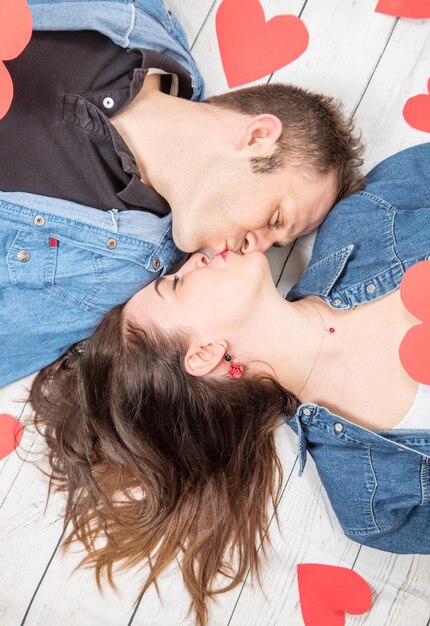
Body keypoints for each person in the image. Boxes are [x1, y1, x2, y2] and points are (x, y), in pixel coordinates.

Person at [29, 143, 430, 626]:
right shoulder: (372, 501)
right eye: (176, 284)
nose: (194, 258)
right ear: (204, 356)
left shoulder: (365, 222)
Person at [0, 0, 364, 386]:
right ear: (257, 136)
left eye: (274, 244)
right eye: (276, 220)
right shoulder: (131, 17)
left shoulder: (110, 271)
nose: (254, 250)